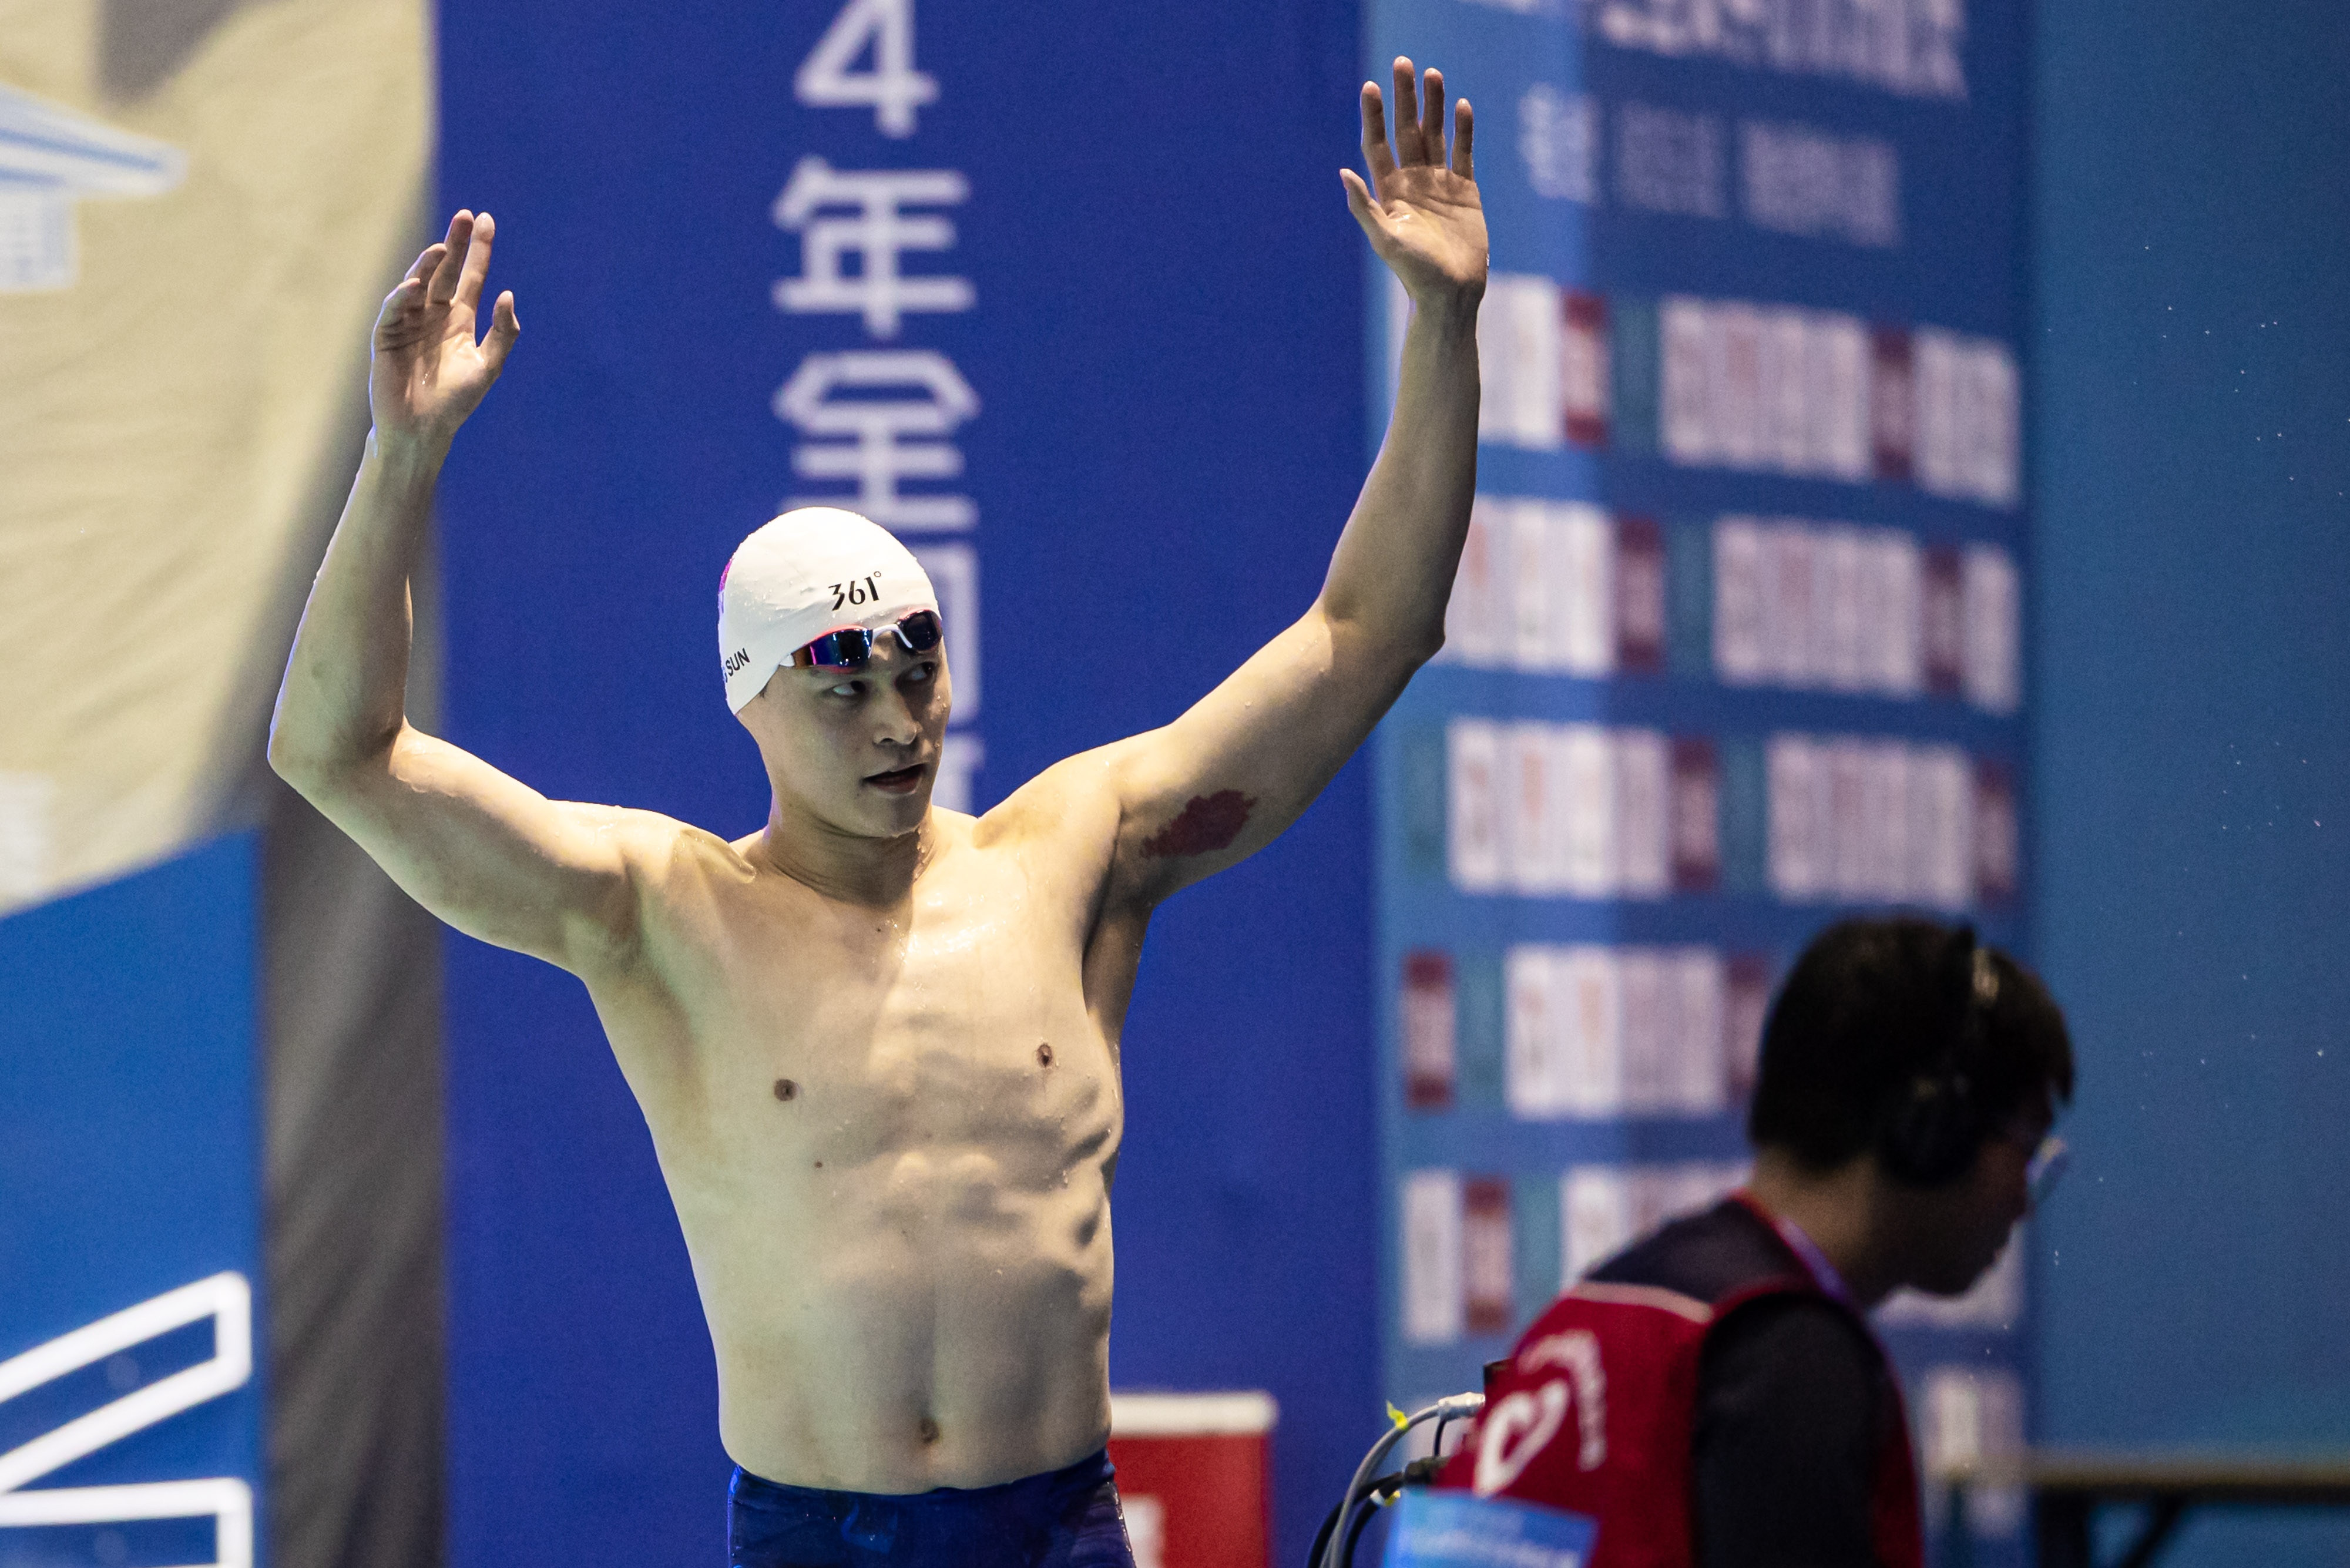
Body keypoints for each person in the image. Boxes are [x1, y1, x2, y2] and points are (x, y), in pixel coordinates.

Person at [267, 58, 1486, 1568]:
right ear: (746, 703)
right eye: (839, 688)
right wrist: (402, 455)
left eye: (917, 668)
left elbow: (1369, 633)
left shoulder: (1077, 858)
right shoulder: (658, 912)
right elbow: (338, 750)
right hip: (814, 1536)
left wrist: (1440, 327)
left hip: (1061, 1525)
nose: (898, 721)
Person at [1438, 916, 2074, 1568]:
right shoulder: (1792, 1357)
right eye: (2025, 1145)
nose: (2023, 1201)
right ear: (1929, 1125)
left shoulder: (1613, 1301)